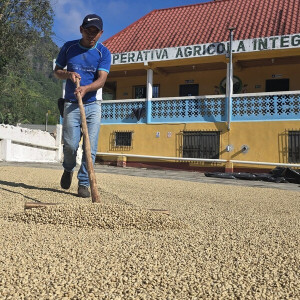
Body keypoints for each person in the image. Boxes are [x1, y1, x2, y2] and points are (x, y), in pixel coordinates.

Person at [54, 14, 111, 197]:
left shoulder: (104, 53)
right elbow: (57, 71)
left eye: (95, 32)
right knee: (70, 145)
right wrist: (68, 74)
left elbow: (102, 80)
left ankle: (84, 183)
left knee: (89, 147)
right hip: (71, 103)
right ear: (81, 30)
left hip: (93, 104)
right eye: (88, 31)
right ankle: (68, 168)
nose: (91, 35)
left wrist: (86, 88)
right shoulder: (68, 47)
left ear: (101, 33)